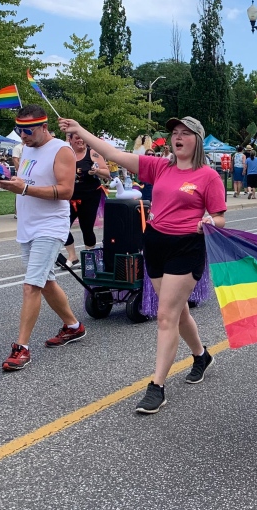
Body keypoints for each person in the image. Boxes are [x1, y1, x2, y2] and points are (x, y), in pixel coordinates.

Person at [62, 115, 226, 414]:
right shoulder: (159, 167)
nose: (177, 137)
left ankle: (157, 386)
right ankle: (201, 355)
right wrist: (79, 130)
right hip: (155, 244)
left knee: (166, 315)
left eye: (185, 133)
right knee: (177, 311)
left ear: (197, 140)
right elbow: (112, 155)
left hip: (186, 247)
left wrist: (208, 221)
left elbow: (220, 216)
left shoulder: (208, 177)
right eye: (174, 132)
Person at [0, 105, 83, 371]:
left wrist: (26, 188)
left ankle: (21, 348)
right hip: (28, 227)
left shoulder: (61, 150)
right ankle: (73, 326)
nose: (23, 135)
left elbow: (66, 191)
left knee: (31, 284)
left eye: (28, 131)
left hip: (50, 226)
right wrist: (12, 185)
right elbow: (29, 186)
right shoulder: (28, 149)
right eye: (19, 130)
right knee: (45, 282)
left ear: (44, 127)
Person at [63, 131, 110, 267]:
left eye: (82, 138)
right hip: (70, 197)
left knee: (87, 228)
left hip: (90, 196)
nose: (80, 141)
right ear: (70, 140)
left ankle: (89, 256)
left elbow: (107, 173)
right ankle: (72, 256)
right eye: (77, 138)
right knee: (62, 226)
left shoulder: (93, 153)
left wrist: (97, 171)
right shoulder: (65, 153)